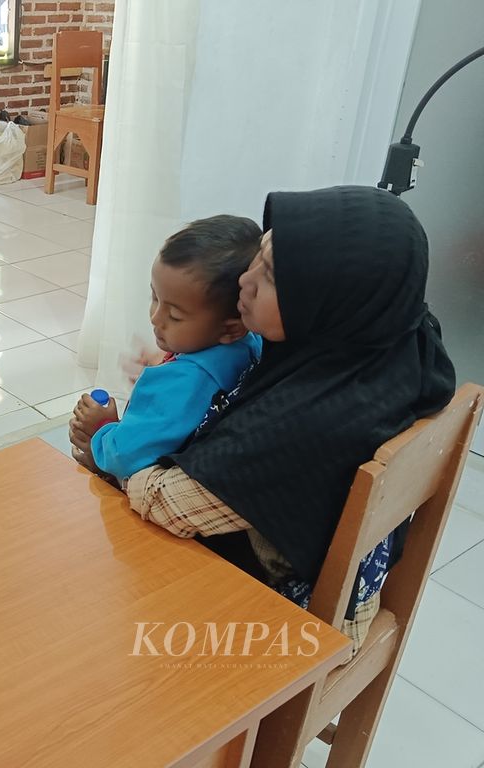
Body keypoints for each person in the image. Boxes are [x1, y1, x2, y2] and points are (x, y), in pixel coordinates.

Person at [71, 186, 455, 654]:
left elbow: (166, 503)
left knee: (84, 582)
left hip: (290, 628)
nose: (244, 282)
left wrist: (104, 444)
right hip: (347, 586)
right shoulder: (390, 344)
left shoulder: (306, 422)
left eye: (271, 276)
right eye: (260, 255)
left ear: (321, 296)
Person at [70, 215, 262, 482]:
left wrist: (102, 429)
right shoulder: (251, 342)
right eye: (155, 297)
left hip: (156, 479)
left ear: (230, 328)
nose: (155, 318)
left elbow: (125, 456)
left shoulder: (182, 383)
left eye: (175, 315)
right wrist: (171, 363)